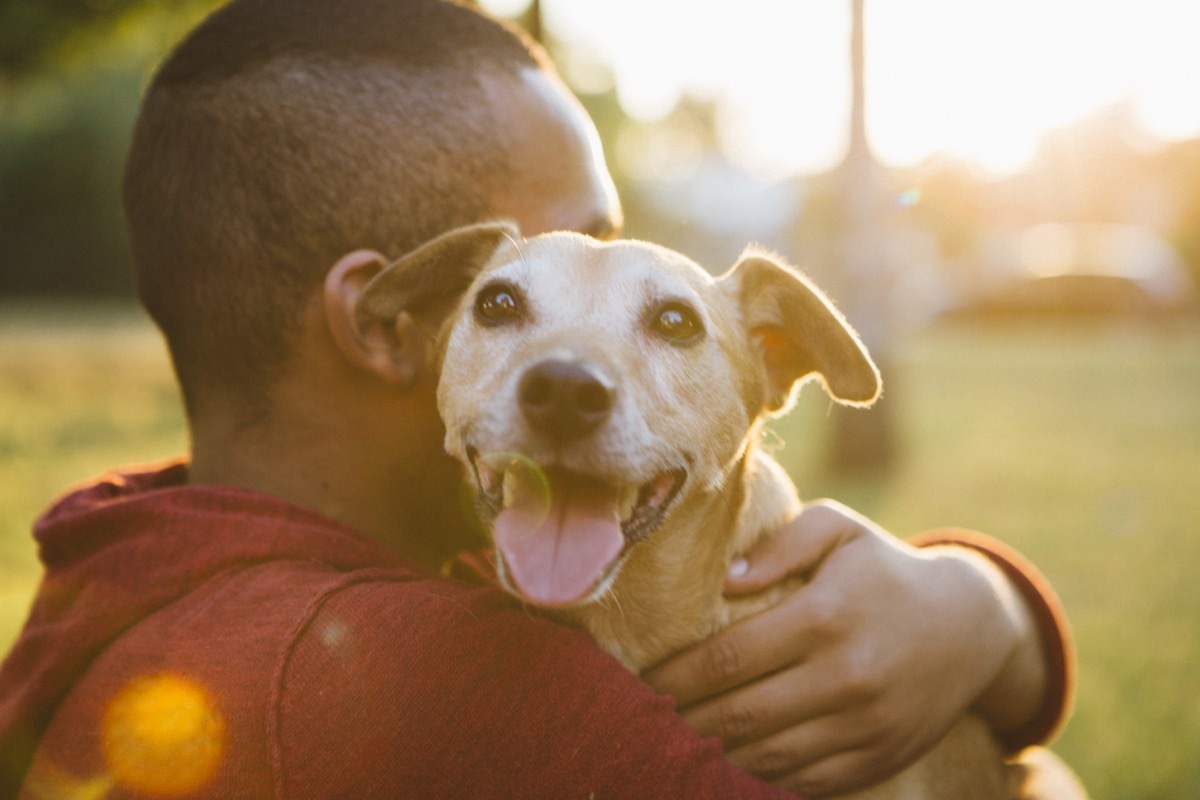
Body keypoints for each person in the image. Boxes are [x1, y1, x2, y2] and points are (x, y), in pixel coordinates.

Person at [0, 0, 1075, 797]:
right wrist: (997, 621)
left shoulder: (116, 572)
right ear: (392, 320)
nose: (577, 366)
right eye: (518, 295)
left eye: (657, 314)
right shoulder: (471, 689)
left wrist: (985, 611)